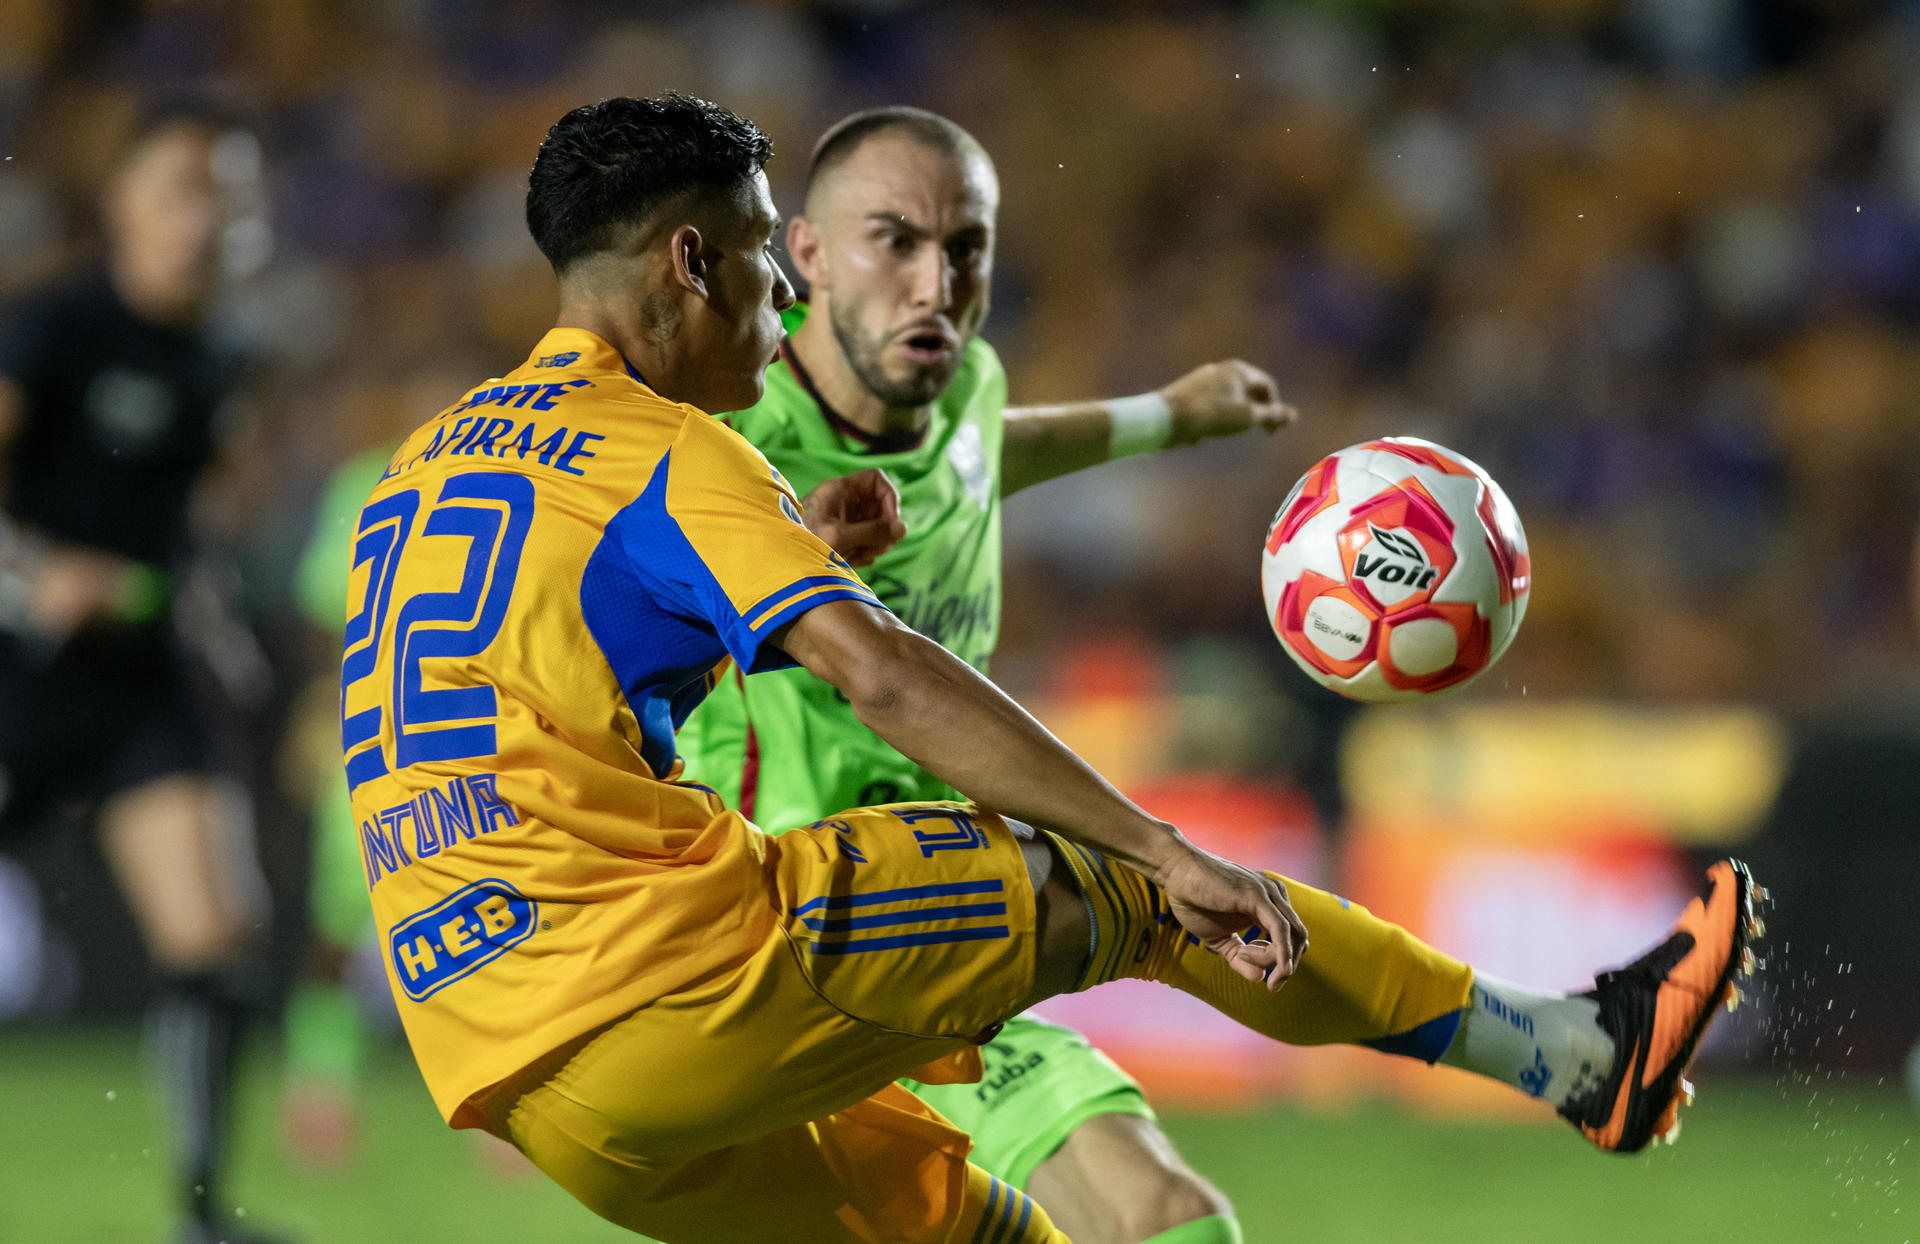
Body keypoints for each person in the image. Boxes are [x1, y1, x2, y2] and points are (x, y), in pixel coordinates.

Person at [341, 93, 1759, 1243]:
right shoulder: (672, 450)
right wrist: (1157, 843)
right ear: (690, 263)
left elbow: (552, 721)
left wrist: (743, 604)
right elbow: (885, 676)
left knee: (981, 1233)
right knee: (1142, 895)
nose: (779, 291)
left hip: (522, 1081)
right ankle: (1580, 1059)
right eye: (768, 251)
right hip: (690, 975)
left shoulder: (427, 465)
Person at [674, 105, 1293, 1244]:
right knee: (1154, 1218)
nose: (937, 282)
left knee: (1162, 1218)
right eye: (895, 241)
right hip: (802, 936)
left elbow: (989, 444)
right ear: (803, 252)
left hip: (933, 915)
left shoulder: (963, 390)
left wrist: (1171, 414)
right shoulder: (720, 440)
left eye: (966, 249)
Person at [0, 103, 277, 1244]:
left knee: (217, 929)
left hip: (137, 680)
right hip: (13, 667)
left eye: (225, 194)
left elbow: (183, 520)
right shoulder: (50, 329)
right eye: (180, 190)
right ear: (120, 204)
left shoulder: (224, 359)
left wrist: (206, 606)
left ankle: (203, 1218)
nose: (203, 219)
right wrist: (33, 573)